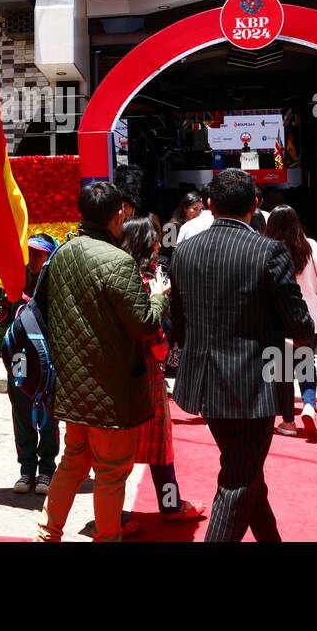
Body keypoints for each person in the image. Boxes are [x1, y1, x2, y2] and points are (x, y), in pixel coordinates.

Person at [169, 169, 314, 543]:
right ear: (255, 205)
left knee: (245, 471)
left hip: (204, 383)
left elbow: (178, 326)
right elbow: (298, 322)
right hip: (254, 387)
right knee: (239, 477)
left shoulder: (184, 251)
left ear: (211, 205)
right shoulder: (270, 251)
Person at [35, 182, 167, 542]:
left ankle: (47, 533)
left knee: (73, 461)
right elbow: (143, 325)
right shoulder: (118, 262)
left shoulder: (62, 254)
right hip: (111, 392)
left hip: (73, 389)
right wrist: (158, 298)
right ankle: (107, 536)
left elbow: (45, 308)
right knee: (111, 472)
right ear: (118, 214)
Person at [117, 216, 206, 534]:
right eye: (154, 240)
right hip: (144, 375)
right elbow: (154, 341)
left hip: (116, 374)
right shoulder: (145, 283)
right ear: (144, 244)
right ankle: (170, 506)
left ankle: (114, 513)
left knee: (119, 450)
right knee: (158, 444)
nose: (159, 245)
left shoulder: (115, 276)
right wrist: (161, 301)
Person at [264, 205, 317, 440]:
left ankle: (288, 421)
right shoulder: (311, 246)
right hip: (310, 319)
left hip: (278, 321)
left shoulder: (265, 248)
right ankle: (308, 404)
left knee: (282, 372)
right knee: (306, 365)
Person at [0, 233, 60, 494]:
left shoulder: (56, 285)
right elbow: (2, 317)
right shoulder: (16, 282)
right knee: (22, 408)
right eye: (30, 252)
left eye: (39, 254)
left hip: (46, 360)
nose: (33, 258)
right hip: (20, 359)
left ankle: (46, 471)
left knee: (47, 411)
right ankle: (26, 471)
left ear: (50, 256)